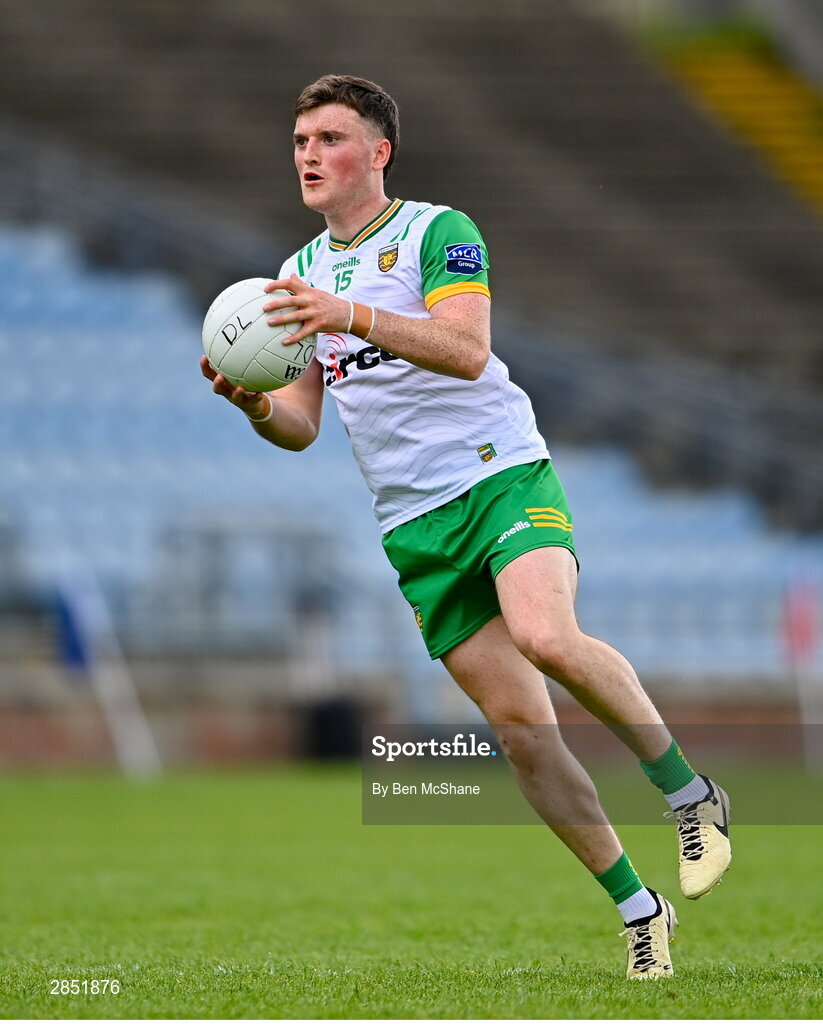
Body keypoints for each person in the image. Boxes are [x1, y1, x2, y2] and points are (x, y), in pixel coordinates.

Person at [201, 74, 731, 980]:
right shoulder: (294, 278)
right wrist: (253, 406)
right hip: (412, 523)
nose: (308, 156)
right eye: (298, 142)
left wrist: (352, 313)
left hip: (498, 477)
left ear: (378, 152)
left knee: (545, 635)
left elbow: (467, 349)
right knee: (521, 730)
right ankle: (639, 911)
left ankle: (690, 792)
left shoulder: (436, 232)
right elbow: (301, 425)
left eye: (328, 139)